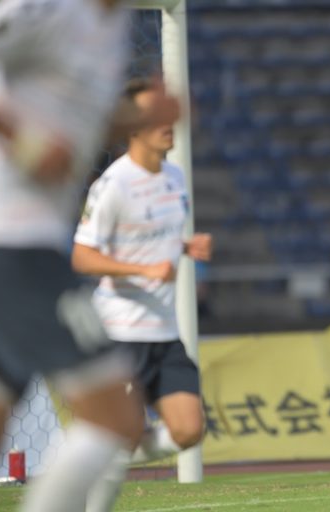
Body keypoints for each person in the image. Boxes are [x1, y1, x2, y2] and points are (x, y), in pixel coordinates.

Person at [0, 1, 176, 511]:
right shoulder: (47, 9)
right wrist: (28, 146)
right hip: (12, 241)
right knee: (116, 417)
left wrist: (139, 118)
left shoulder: (112, 24)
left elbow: (72, 124)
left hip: (26, 243)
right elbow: (41, 141)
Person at [71, 77, 212, 512]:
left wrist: (184, 247)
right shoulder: (113, 185)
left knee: (189, 430)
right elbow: (82, 256)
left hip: (164, 334)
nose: (167, 124)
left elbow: (153, 236)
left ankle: (94, 459)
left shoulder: (175, 177)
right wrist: (144, 269)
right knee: (121, 433)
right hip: (121, 333)